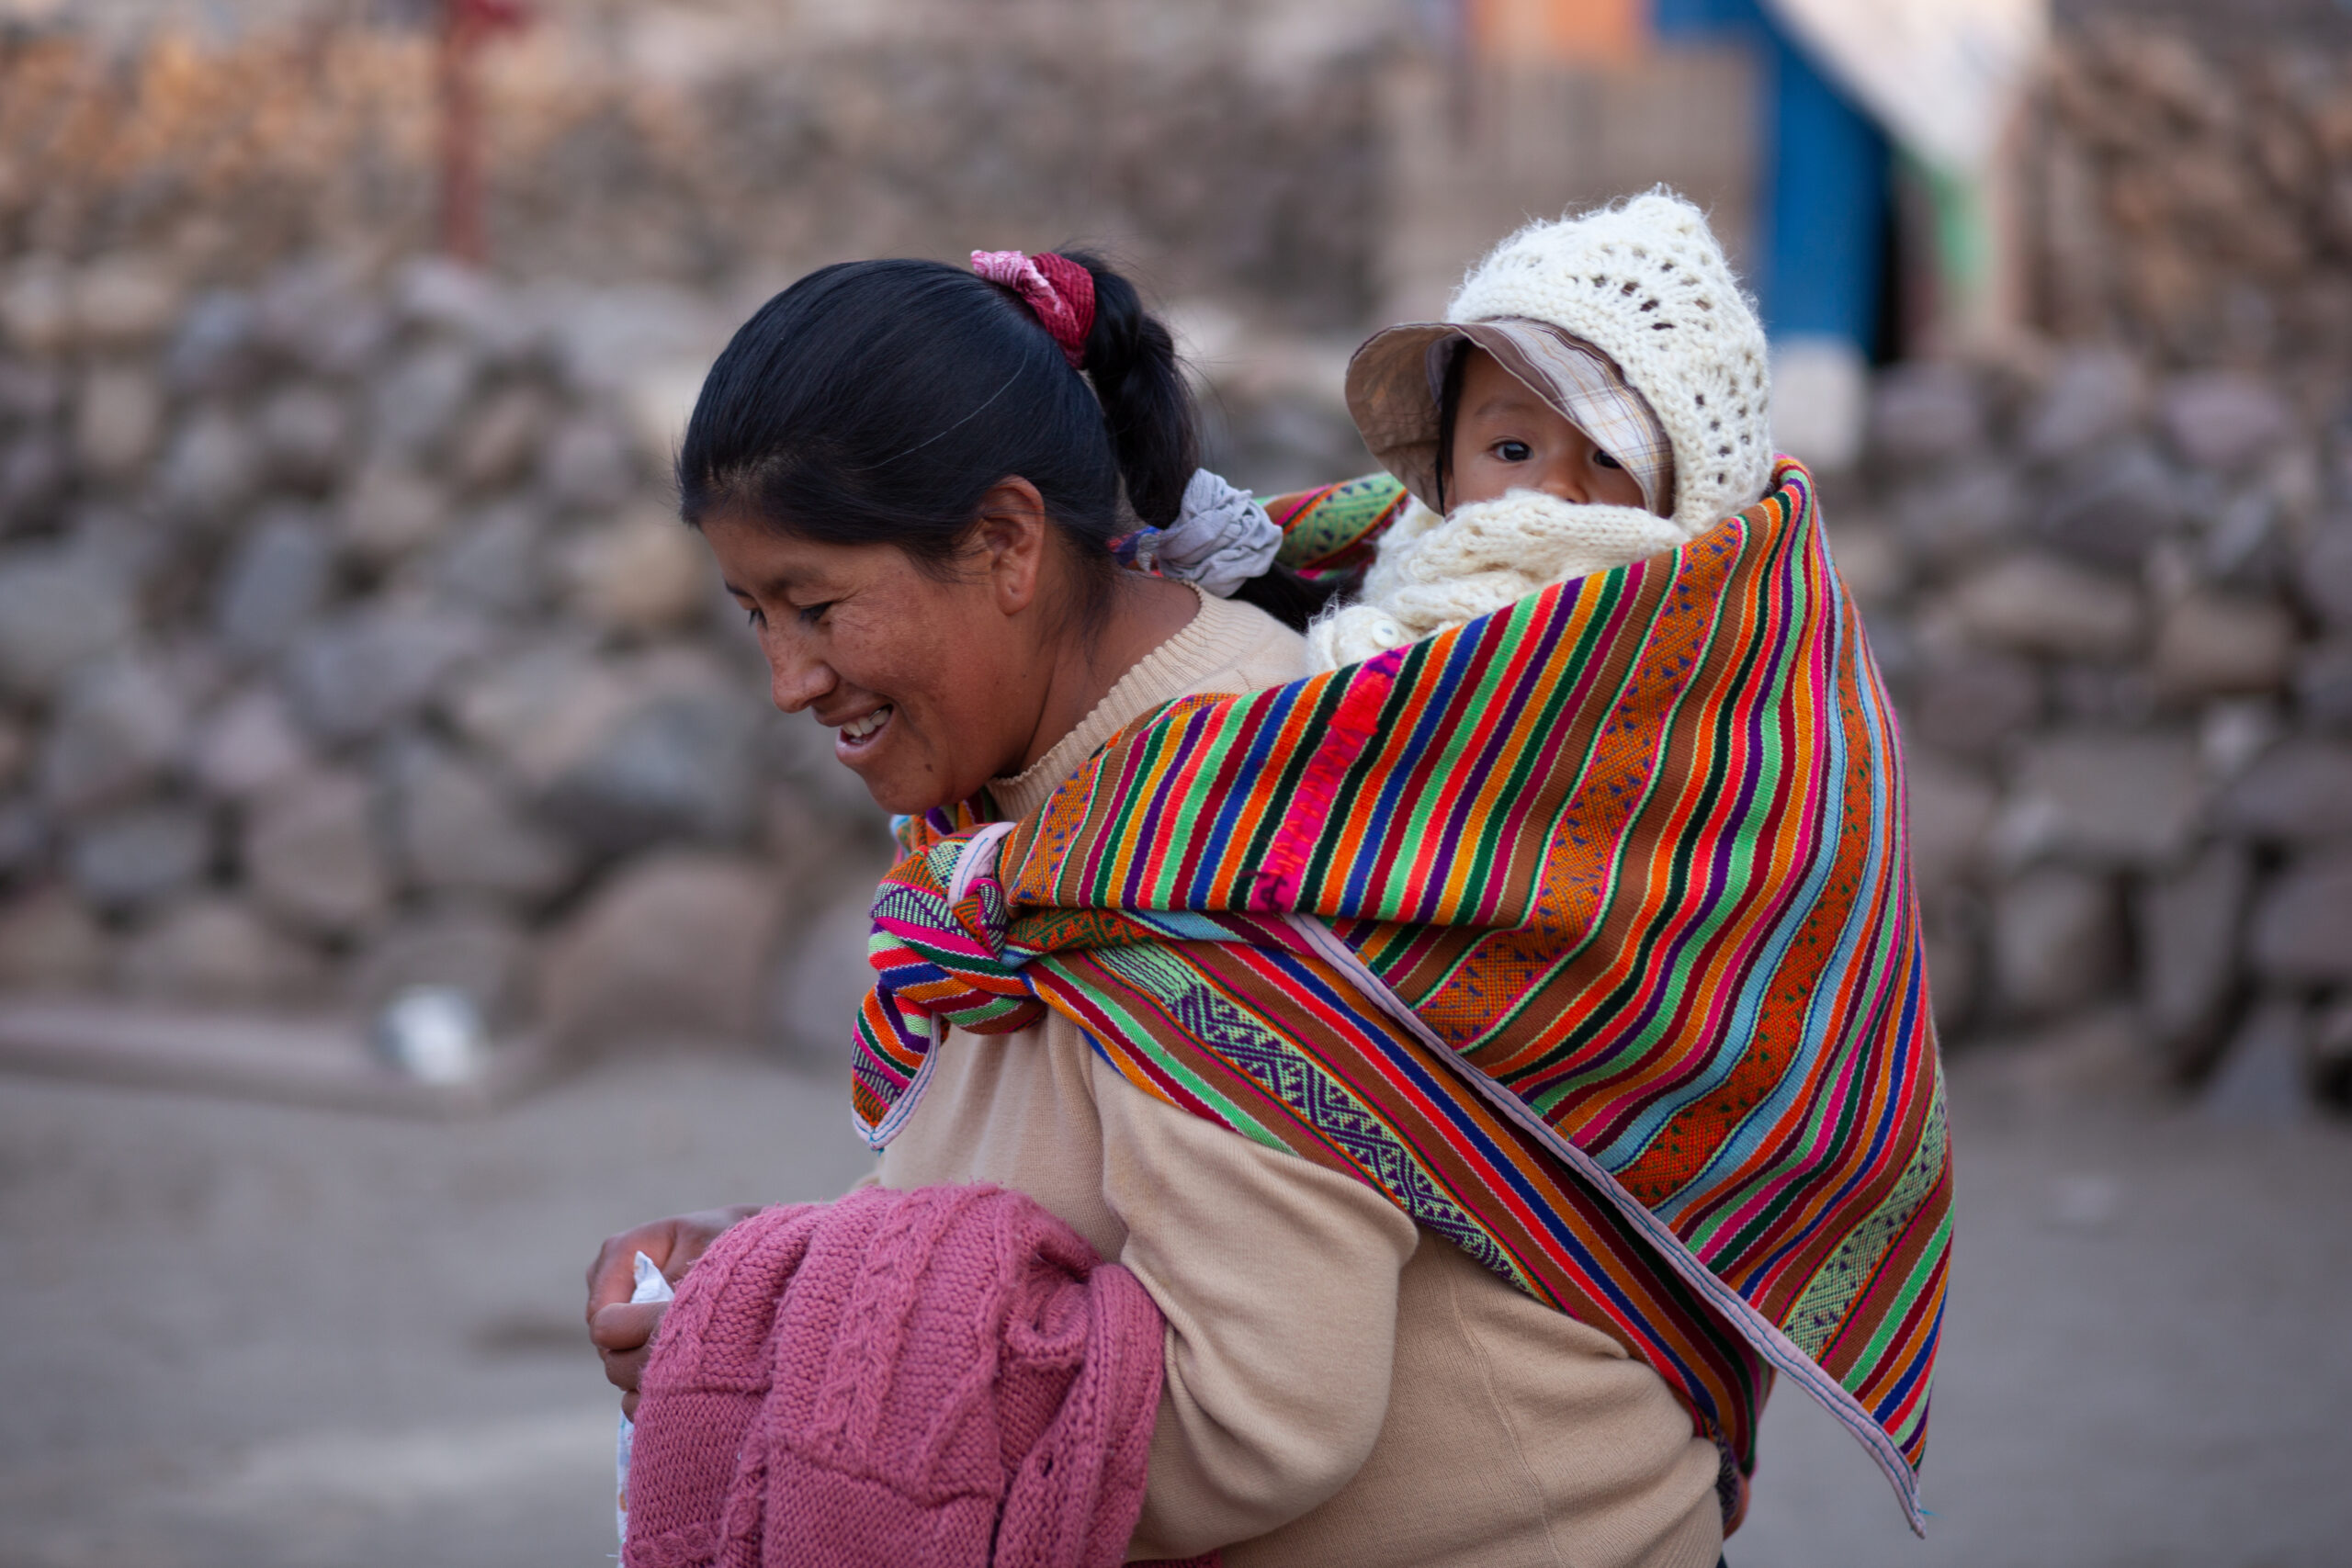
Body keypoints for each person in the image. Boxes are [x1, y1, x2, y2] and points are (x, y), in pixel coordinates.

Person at [586, 241, 1736, 1566]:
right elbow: (1052, 1213)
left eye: (819, 607)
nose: (790, 678)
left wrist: (795, 1364)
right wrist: (754, 1282)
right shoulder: (1036, 801)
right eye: (753, 616)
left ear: (1007, 543)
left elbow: (1258, 1413)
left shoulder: (1230, 821)